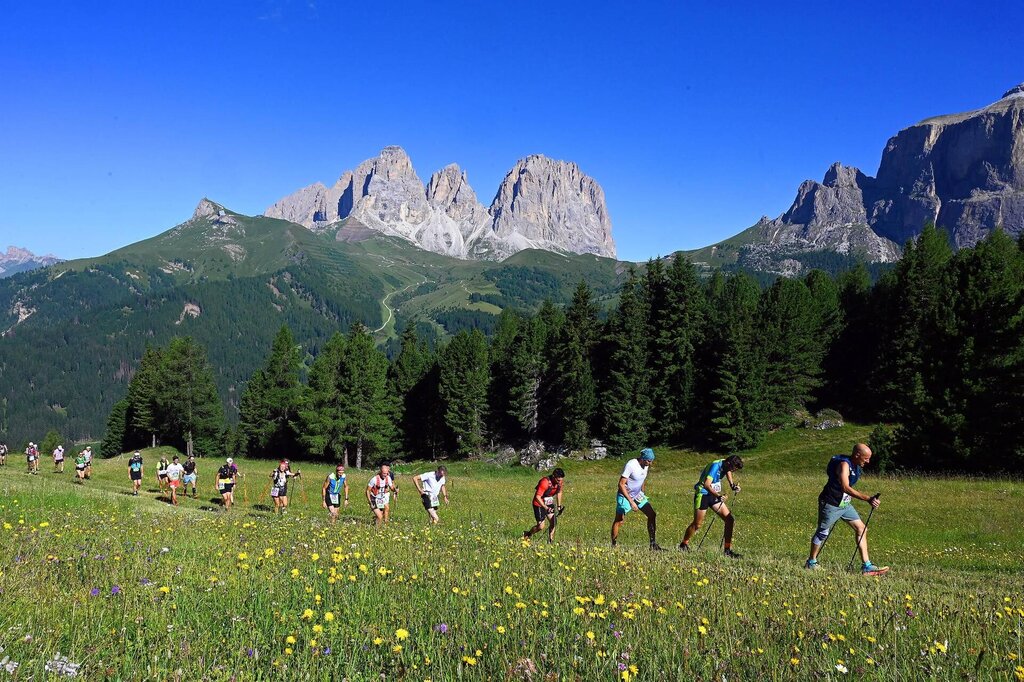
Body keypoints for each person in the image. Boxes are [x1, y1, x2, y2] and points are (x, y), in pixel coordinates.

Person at [806, 443, 887, 574]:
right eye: (866, 458)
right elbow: (845, 487)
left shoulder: (855, 465)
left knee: (862, 529)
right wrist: (868, 499)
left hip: (844, 505)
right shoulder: (844, 465)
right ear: (857, 455)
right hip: (830, 503)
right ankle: (811, 562)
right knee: (822, 533)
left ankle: (867, 566)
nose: (868, 461)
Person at [679, 455, 744, 558]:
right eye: (733, 469)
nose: (733, 471)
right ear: (728, 463)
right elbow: (706, 484)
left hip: (713, 494)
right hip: (703, 494)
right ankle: (684, 544)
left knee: (729, 520)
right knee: (697, 524)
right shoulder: (715, 466)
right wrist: (718, 496)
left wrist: (732, 485)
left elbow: (728, 471)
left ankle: (727, 550)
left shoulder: (726, 464)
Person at [611, 448, 663, 550]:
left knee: (652, 514)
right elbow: (621, 484)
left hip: (637, 494)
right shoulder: (631, 465)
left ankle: (653, 544)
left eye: (651, 461)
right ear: (642, 458)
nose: (650, 463)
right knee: (620, 520)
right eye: (648, 461)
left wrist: (642, 492)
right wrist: (631, 502)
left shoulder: (645, 466)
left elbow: (642, 479)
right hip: (625, 496)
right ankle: (614, 545)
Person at [523, 468, 565, 542]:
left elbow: (559, 492)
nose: (560, 482)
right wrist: (545, 508)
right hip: (539, 503)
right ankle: (528, 534)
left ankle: (550, 541)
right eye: (558, 480)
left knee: (553, 522)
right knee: (541, 526)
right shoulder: (545, 482)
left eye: (561, 480)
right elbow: (537, 497)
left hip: (548, 502)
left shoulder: (560, 482)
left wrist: (559, 506)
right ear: (553, 476)